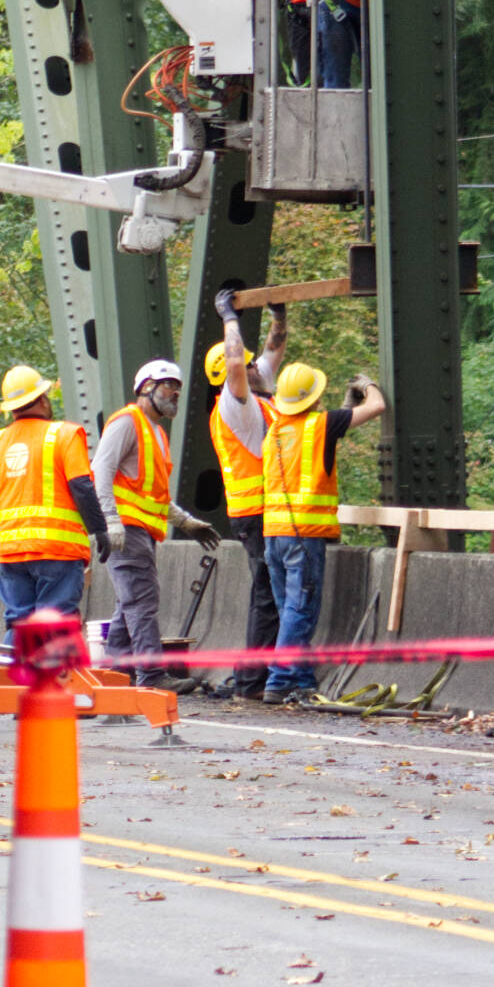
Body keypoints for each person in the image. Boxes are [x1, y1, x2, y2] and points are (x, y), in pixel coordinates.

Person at [260, 359, 387, 703]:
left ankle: (300, 678)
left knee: (290, 607)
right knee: (300, 610)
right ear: (312, 398)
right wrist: (367, 384)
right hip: (303, 535)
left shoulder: (275, 431)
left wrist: (346, 408)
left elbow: (321, 442)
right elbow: (376, 406)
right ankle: (280, 679)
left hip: (273, 534)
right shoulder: (320, 424)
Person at [92, 360, 222, 693]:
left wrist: (186, 522)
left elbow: (154, 494)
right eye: (168, 385)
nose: (175, 392)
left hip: (142, 531)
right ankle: (151, 675)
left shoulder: (157, 434)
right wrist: (110, 521)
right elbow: (100, 473)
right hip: (125, 528)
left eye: (178, 387)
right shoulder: (126, 423)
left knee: (130, 603)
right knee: (141, 601)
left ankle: (116, 674)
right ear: (146, 387)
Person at [0, 365, 109, 634]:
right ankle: (53, 676)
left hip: (10, 554)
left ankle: (18, 677)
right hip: (57, 550)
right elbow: (81, 487)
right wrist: (100, 530)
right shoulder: (65, 435)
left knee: (19, 624)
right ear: (43, 399)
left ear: (11, 407)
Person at [206, 288, 289, 700]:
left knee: (271, 591)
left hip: (264, 510)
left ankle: (256, 676)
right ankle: (253, 680)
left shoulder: (261, 396)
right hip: (255, 512)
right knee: (267, 594)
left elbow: (272, 354)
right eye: (248, 363)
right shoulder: (236, 406)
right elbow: (238, 361)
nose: (258, 365)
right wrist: (229, 318)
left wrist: (279, 318)